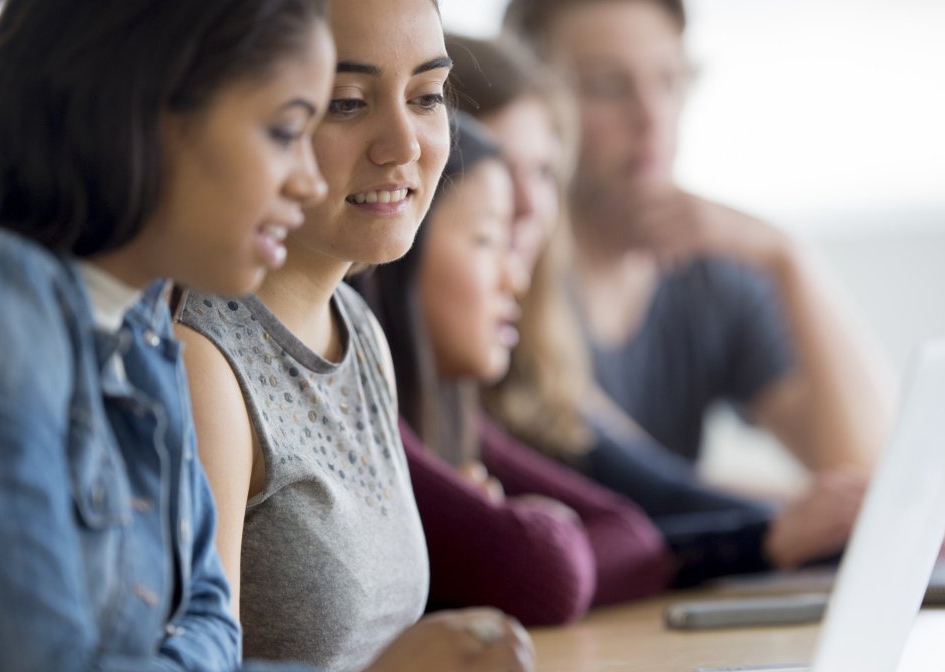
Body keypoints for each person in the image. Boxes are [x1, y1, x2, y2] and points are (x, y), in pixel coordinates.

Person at [0, 0, 333, 669]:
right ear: (145, 103)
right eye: (285, 132)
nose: (311, 182)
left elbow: (211, 619)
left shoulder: (141, 321)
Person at [176, 1, 533, 670]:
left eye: (426, 97)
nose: (404, 145)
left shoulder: (360, 332)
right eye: (345, 103)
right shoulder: (203, 359)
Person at [443, 34, 865, 582]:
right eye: (609, 86)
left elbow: (643, 499)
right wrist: (774, 535)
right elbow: (565, 548)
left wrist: (790, 256)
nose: (525, 207)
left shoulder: (538, 348)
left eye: (543, 172)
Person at [356, 111, 675, 625]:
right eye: (486, 242)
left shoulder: (461, 419)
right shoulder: (366, 421)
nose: (516, 278)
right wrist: (525, 525)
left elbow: (633, 537)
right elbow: (545, 572)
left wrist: (516, 525)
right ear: (395, 259)